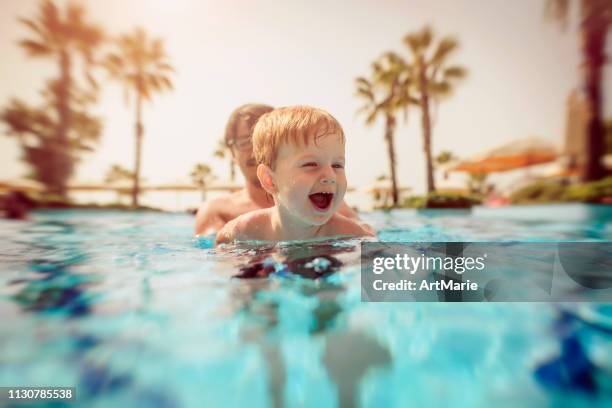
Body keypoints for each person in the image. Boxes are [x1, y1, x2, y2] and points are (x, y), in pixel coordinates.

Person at [194, 103, 362, 236]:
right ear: (232, 151)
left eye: (269, 141)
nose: (257, 151)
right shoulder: (220, 212)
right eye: (247, 141)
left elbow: (364, 237)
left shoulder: (329, 202)